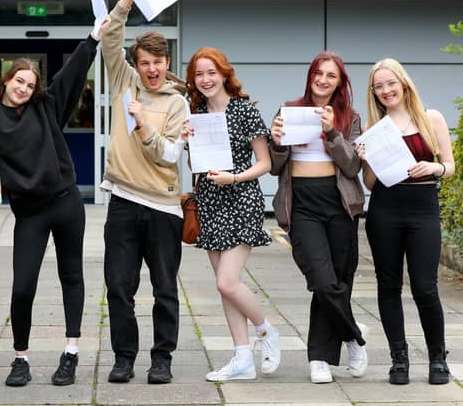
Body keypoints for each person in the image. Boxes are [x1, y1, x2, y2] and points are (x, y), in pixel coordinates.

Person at [0, 0, 110, 387]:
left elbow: (72, 73)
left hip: (66, 203)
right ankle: (20, 358)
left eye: (31, 83)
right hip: (29, 212)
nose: (25, 87)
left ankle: (70, 353)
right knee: (23, 285)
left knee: (72, 276)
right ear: (6, 81)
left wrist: (92, 37)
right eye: (19, 81)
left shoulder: (47, 107)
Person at [101, 0, 188, 385]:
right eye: (144, 63)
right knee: (119, 287)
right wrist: (126, 1)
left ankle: (162, 358)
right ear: (135, 65)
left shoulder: (178, 103)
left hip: (163, 207)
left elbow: (170, 155)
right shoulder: (124, 83)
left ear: (167, 63)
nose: (151, 70)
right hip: (122, 201)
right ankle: (124, 357)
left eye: (158, 62)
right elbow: (109, 40)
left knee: (164, 289)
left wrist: (142, 126)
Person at [181, 47, 279, 381]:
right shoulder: (196, 113)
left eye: (211, 72)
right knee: (224, 287)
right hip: (210, 200)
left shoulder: (244, 111)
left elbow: (265, 163)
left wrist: (233, 177)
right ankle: (242, 359)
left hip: (241, 198)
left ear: (224, 74)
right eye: (199, 74)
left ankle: (266, 332)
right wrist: (186, 141)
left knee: (227, 281)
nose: (205, 80)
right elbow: (198, 164)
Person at [269, 51, 367, 384]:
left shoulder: (350, 118)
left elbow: (353, 166)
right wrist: (278, 143)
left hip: (340, 204)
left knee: (340, 278)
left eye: (331, 76)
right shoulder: (289, 109)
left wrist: (331, 134)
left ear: (340, 83)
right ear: (310, 75)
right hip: (302, 204)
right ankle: (353, 334)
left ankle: (319, 359)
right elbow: (275, 166)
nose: (323, 80)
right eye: (318, 73)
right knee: (323, 280)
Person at [357, 58, 454, 385]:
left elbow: (450, 166)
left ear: (403, 82)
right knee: (388, 285)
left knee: (426, 287)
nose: (386, 90)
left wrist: (433, 168)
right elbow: (370, 184)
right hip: (385, 209)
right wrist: (366, 161)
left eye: (390, 83)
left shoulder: (431, 118)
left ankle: (438, 357)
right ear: (374, 92)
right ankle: (399, 359)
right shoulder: (374, 130)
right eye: (379, 86)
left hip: (423, 208)